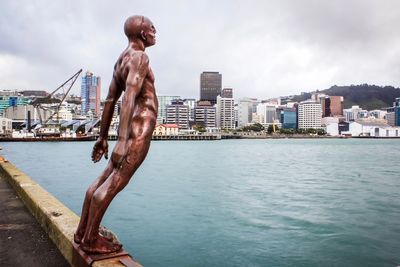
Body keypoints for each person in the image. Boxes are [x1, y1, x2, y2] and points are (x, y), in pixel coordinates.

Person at [74, 15, 158, 254]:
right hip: (139, 129)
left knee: (104, 179)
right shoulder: (141, 57)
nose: (155, 32)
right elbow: (129, 96)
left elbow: (111, 99)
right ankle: (91, 240)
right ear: (142, 33)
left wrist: (102, 137)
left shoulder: (122, 59)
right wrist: (121, 142)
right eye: (152, 28)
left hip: (129, 128)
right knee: (115, 183)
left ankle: (82, 232)